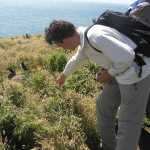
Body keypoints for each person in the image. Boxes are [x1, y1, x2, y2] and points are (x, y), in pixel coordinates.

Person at [45, 19, 150, 150]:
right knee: (103, 106)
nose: (61, 48)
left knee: (128, 123)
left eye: (59, 45)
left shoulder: (96, 37)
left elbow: (127, 56)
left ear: (63, 40)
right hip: (119, 74)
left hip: (135, 75)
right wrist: (63, 75)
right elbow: (76, 59)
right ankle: (108, 146)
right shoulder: (83, 40)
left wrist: (108, 74)